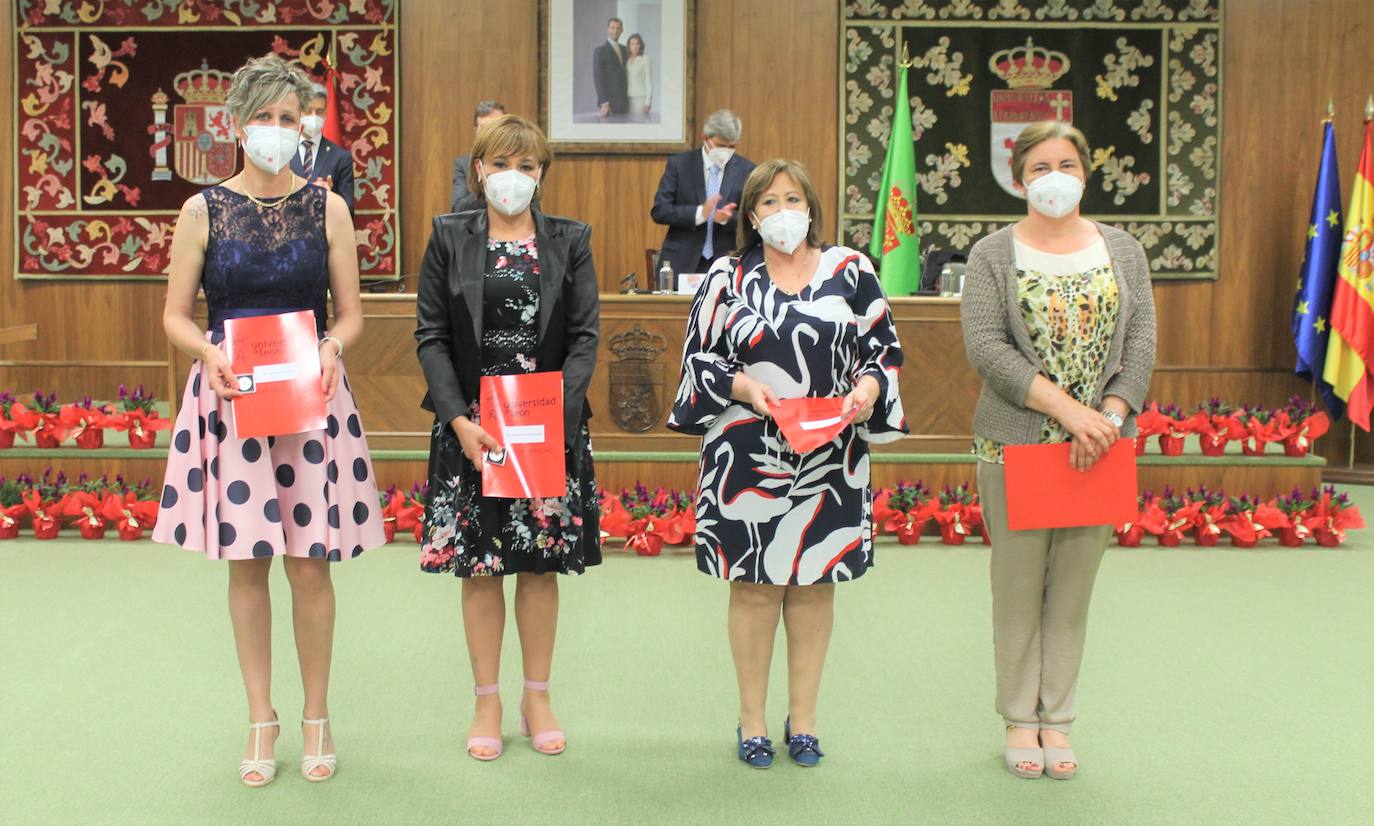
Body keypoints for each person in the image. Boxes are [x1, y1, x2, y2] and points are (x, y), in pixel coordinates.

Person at [153, 55, 386, 787]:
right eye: (266, 118)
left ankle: (317, 715)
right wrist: (207, 352)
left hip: (311, 402)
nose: (279, 131)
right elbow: (173, 315)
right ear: (236, 124)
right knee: (246, 565)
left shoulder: (329, 207)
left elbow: (351, 312)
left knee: (310, 565)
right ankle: (263, 715)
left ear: (305, 126)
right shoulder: (202, 211)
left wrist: (333, 346)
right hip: (232, 397)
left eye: (292, 119)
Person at [667, 160, 906, 769]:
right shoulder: (726, 274)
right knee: (754, 590)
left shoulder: (851, 270)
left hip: (832, 454)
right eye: (768, 203)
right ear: (751, 216)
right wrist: (743, 386)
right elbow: (699, 359)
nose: (782, 212)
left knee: (813, 589)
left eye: (792, 199)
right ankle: (751, 720)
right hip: (747, 455)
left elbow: (885, 352)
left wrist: (870, 390)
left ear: (811, 207)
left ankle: (804, 721)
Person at [960, 121, 1156, 780]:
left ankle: (1058, 721)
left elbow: (1142, 342)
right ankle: (1020, 718)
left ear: (1086, 171)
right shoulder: (991, 253)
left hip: (1099, 447)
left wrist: (1109, 414)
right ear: (1019, 179)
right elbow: (987, 347)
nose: (1054, 176)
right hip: (1018, 445)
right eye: (1040, 165)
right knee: (1019, 591)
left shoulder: (1123, 250)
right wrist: (1068, 411)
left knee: (1072, 593)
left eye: (1067, 163)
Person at [415, 115, 601, 761]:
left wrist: (557, 416)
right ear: (478, 171)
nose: (513, 178)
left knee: (541, 565)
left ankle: (537, 694)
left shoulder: (570, 240)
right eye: (501, 164)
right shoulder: (447, 237)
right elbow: (432, 336)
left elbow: (583, 338)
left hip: (545, 429)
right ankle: (487, 699)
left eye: (527, 165)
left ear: (542, 174)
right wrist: (459, 421)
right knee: (480, 568)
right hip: (473, 429)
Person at [651, 110, 755, 277]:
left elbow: (754, 219)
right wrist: (700, 213)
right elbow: (660, 211)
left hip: (726, 262)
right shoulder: (679, 165)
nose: (726, 151)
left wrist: (728, 219)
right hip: (682, 261)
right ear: (706, 138)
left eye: (732, 147)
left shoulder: (747, 170)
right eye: (721, 145)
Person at [292, 83, 355, 215]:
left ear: (326, 114)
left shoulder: (341, 157)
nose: (314, 116)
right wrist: (310, 194)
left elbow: (349, 209)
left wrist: (329, 197)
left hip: (324, 233)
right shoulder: (284, 153)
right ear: (299, 111)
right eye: (309, 111)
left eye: (319, 112)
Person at [451, 100, 508, 213]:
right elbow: (457, 209)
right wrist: (489, 187)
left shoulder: (520, 163)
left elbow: (534, 208)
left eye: (497, 127)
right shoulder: (464, 164)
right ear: (476, 131)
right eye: (486, 128)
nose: (492, 133)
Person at [592, 17, 628, 118]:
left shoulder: (625, 49)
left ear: (622, 30)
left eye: (618, 28)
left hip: (625, 101)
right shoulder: (600, 51)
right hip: (609, 103)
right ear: (608, 29)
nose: (615, 31)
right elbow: (598, 78)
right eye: (612, 28)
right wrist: (604, 102)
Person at [625, 34, 652, 119]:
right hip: (627, 98)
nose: (635, 46)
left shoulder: (645, 59)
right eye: (632, 44)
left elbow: (648, 81)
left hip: (640, 98)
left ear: (641, 45)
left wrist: (648, 102)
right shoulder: (626, 60)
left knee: (639, 123)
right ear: (629, 46)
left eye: (637, 44)